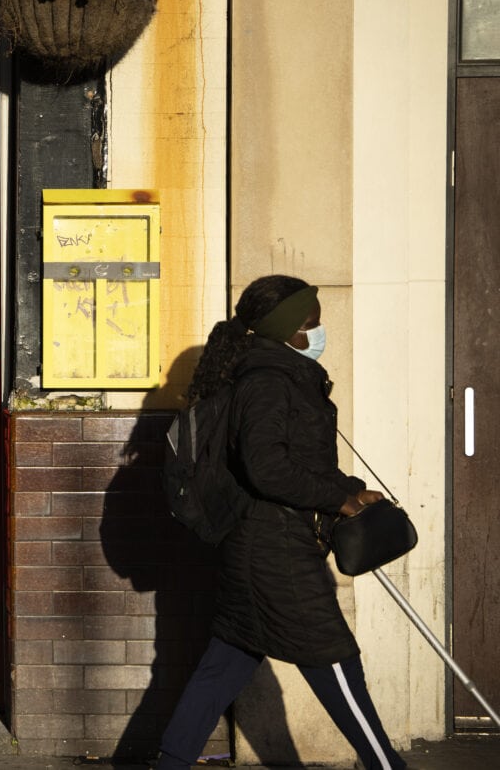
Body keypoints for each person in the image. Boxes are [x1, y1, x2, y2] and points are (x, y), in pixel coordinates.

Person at [155, 275, 405, 770]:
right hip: (276, 551)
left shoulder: (281, 375)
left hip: (256, 546)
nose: (319, 330)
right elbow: (267, 468)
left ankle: (169, 764)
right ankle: (386, 765)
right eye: (311, 322)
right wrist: (341, 500)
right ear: (288, 330)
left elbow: (296, 460)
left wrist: (348, 489)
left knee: (223, 664)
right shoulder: (267, 381)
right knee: (335, 660)